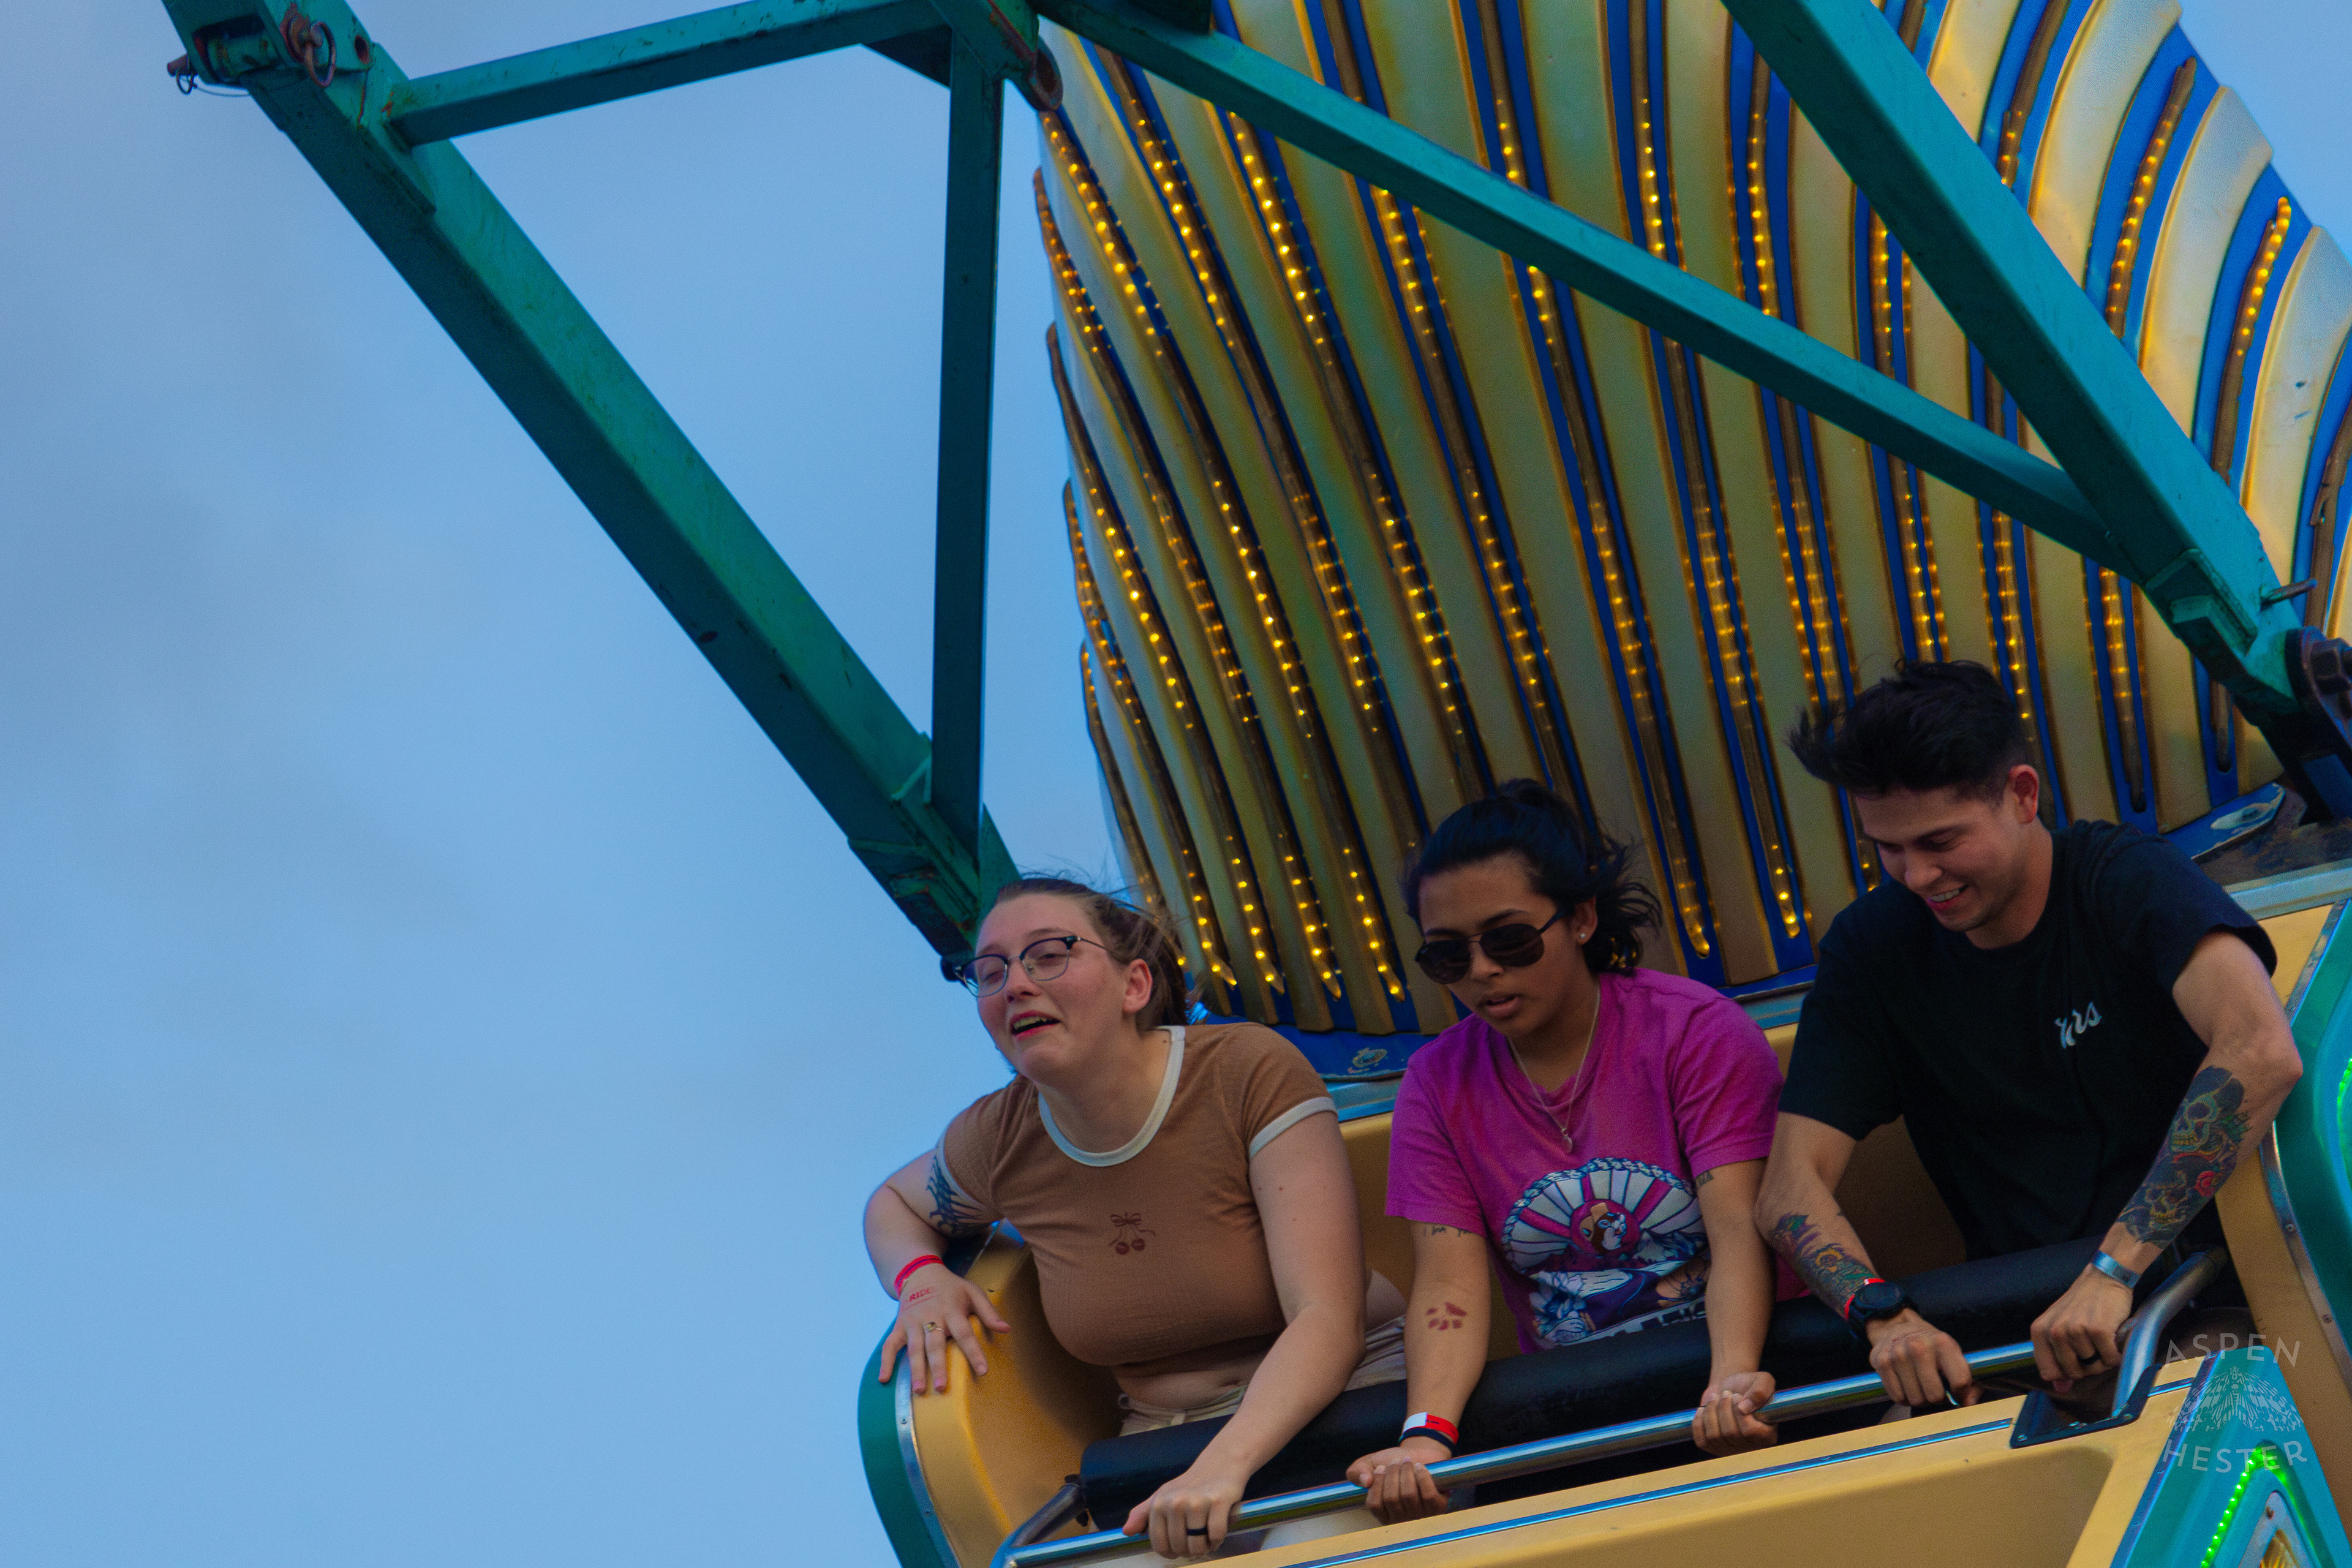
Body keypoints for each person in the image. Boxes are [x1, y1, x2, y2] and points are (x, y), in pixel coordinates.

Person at [1758, 660, 2304, 1413]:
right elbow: (1788, 1190)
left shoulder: (2122, 880)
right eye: (1888, 848)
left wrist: (2112, 1273)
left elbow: (2260, 1048)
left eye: (1941, 840)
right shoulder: (1872, 950)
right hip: (2013, 1338)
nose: (1917, 875)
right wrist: (1884, 1316)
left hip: (2203, 1298)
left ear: (2022, 794)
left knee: (2211, 1420)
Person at [864, 877, 1405, 1559]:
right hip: (1163, 1451)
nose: (1016, 984)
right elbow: (895, 1204)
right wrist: (919, 1278)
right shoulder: (1000, 1137)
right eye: (991, 970)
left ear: (1136, 986)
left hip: (1353, 1412)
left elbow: (1327, 1316)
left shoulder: (1244, 1071)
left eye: (1049, 954)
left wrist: (1223, 1467)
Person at [1343, 782, 1798, 1524]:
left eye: (1510, 939)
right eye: (1449, 954)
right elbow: (1450, 1285)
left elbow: (1740, 1229)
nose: (1483, 970)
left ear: (1581, 918)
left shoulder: (1691, 1031)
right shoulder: (1435, 1081)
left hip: (1744, 1365)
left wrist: (1731, 1381)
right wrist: (1426, 1436)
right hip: (1580, 1398)